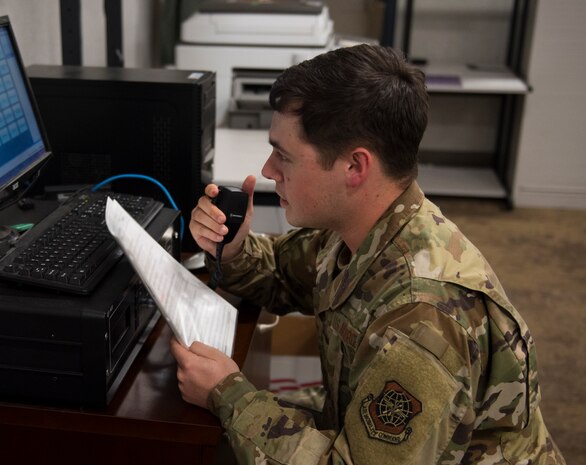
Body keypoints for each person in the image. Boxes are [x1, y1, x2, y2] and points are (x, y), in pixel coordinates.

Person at [170, 44, 564, 465]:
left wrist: (227, 392)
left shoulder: (423, 317)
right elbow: (282, 275)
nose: (268, 170)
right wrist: (232, 249)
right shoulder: (362, 229)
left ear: (355, 167)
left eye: (284, 155)